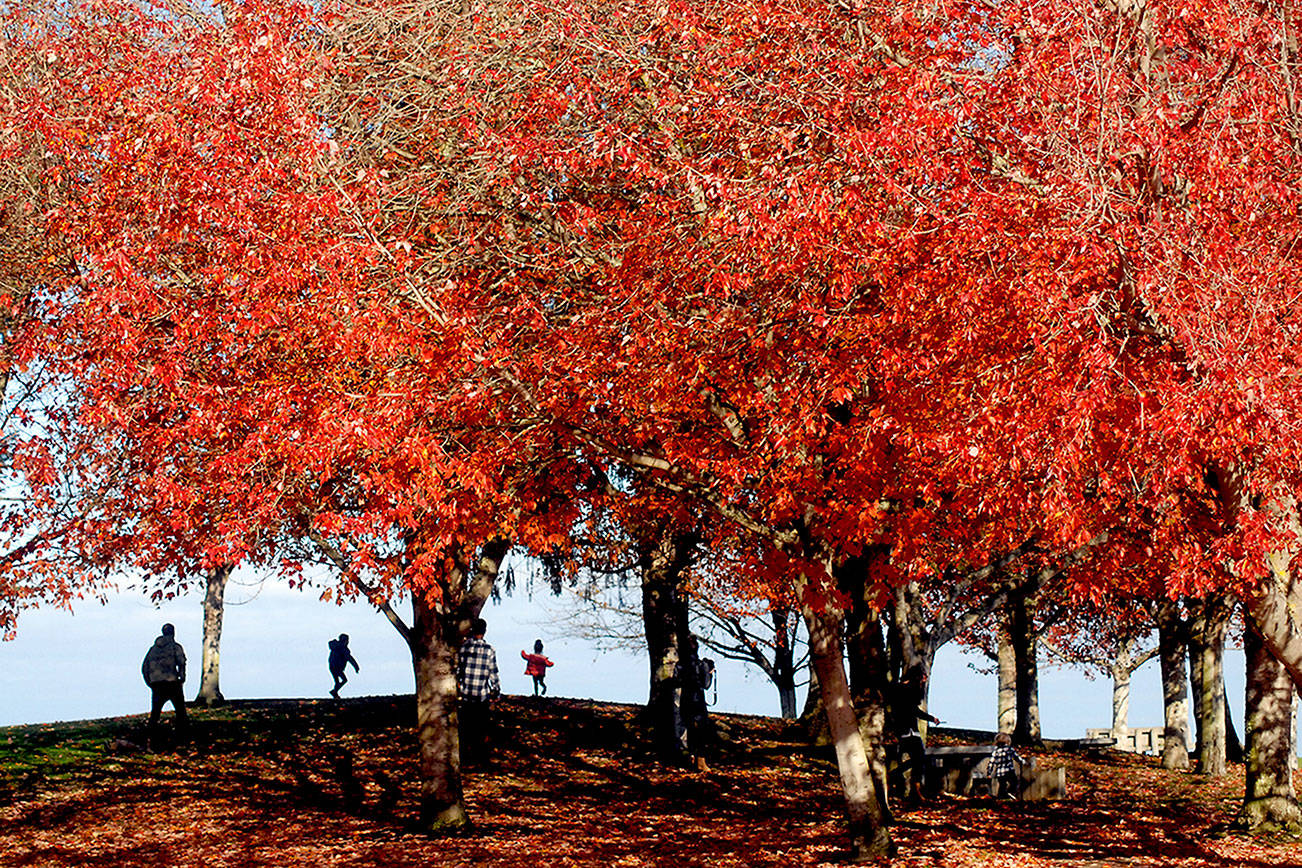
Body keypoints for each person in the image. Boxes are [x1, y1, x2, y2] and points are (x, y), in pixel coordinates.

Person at [890, 667, 942, 804]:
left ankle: (904, 783)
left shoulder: (900, 689)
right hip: (907, 731)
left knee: (917, 760)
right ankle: (905, 784)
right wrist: (931, 718)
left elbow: (914, 710)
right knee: (919, 760)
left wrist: (931, 718)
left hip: (907, 730)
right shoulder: (909, 690)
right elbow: (914, 710)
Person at [457, 617, 500, 765]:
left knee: (465, 728)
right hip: (481, 695)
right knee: (481, 728)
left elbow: (459, 671)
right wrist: (496, 690)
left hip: (466, 694)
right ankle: (480, 758)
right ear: (484, 631)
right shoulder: (489, 650)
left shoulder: (463, 648)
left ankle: (465, 758)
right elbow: (493, 673)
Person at [141, 623, 188, 748]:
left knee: (155, 715)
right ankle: (181, 741)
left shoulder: (153, 649)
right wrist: (182, 678)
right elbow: (182, 663)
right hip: (172, 683)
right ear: (173, 633)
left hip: (157, 685)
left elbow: (144, 667)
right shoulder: (175, 647)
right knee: (181, 713)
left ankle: (150, 742)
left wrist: (150, 683)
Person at [989, 732, 1027, 799]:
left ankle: (1001, 797)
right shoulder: (1010, 749)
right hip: (1009, 771)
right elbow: (1016, 757)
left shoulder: (996, 751)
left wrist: (989, 771)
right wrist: (1022, 762)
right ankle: (1010, 792)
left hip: (1000, 773)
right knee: (1014, 782)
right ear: (1008, 741)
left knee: (1002, 785)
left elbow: (992, 761)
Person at [328, 633, 360, 699]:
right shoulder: (344, 649)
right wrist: (356, 667)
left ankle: (335, 693)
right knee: (344, 680)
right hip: (338, 668)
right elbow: (350, 658)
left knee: (337, 681)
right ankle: (334, 692)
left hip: (332, 667)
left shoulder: (335, 647)